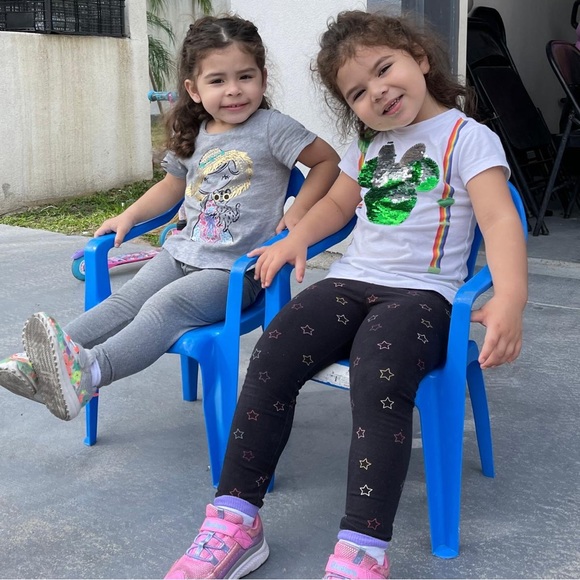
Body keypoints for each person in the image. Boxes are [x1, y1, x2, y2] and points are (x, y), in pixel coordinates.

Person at [164, 9, 528, 580]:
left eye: (384, 69)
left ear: (420, 59)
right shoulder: (370, 141)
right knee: (272, 351)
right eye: (357, 92)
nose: (377, 92)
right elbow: (337, 204)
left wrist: (509, 297)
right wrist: (295, 238)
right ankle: (235, 520)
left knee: (379, 374)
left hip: (422, 294)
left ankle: (363, 550)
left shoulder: (467, 138)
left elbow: (501, 220)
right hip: (351, 281)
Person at [0, 15, 340, 422]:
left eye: (245, 77)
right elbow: (170, 186)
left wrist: (299, 212)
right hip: (181, 254)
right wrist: (128, 216)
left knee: (164, 306)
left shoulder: (272, 128)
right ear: (194, 90)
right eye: (218, 80)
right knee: (126, 300)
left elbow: (327, 162)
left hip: (234, 273)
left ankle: (90, 374)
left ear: (262, 79)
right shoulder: (196, 132)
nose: (234, 90)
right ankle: (36, 363)